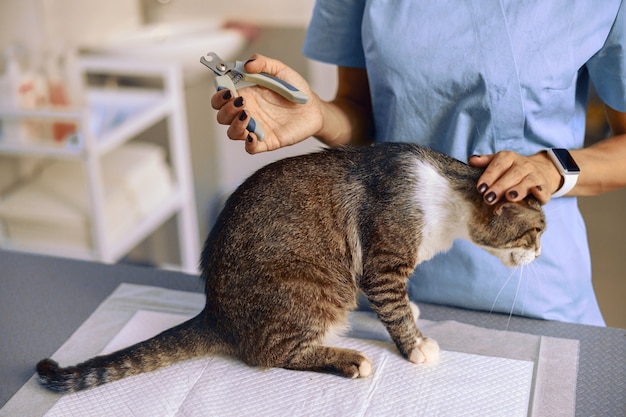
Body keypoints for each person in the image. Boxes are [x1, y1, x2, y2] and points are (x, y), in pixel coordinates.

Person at [212, 1, 626, 326]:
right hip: (391, 283)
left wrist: (552, 168)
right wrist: (319, 114)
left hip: (531, 288)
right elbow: (361, 115)